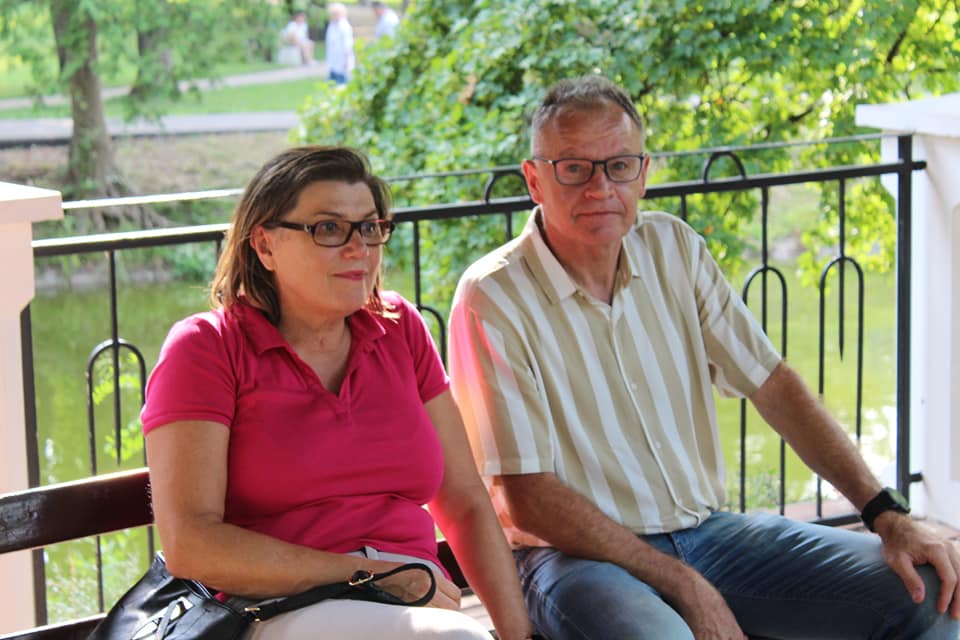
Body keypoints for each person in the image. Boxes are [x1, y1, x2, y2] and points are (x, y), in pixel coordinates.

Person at [448, 75, 960, 639]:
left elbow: (772, 384)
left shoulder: (674, 248)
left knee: (928, 590)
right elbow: (527, 498)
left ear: (644, 173)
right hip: (572, 560)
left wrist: (885, 513)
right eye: (574, 168)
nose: (600, 188)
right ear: (534, 179)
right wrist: (684, 584)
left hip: (707, 534)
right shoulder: (493, 296)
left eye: (619, 165)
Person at [141, 146, 533, 640]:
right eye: (328, 228)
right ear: (264, 245)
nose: (358, 249)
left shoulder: (399, 329)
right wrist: (372, 575)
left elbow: (466, 501)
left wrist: (519, 636)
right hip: (272, 610)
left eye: (369, 227)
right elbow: (191, 544)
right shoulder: (207, 348)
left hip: (412, 607)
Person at [325, 3, 355, 84]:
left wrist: (346, 61)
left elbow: (348, 45)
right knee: (331, 83)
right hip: (333, 60)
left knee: (342, 84)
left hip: (342, 59)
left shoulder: (344, 26)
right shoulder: (332, 25)